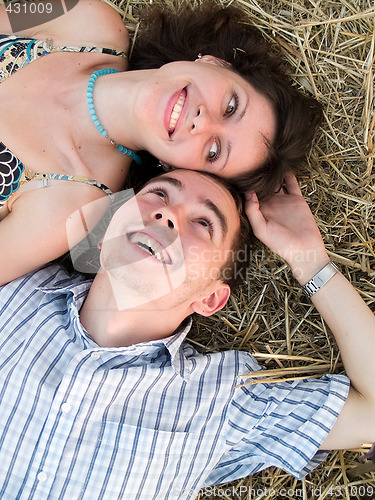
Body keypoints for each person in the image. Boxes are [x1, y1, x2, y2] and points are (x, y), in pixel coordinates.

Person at [0, 168, 374, 499]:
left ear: (210, 298)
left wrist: (310, 261)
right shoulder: (12, 286)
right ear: (105, 232)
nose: (167, 213)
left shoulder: (223, 401)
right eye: (158, 194)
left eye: (203, 224)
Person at [0, 0, 322, 286]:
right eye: (231, 106)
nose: (202, 121)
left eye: (213, 151)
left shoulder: (69, 202)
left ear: (180, 170)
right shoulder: (89, 16)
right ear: (214, 62)